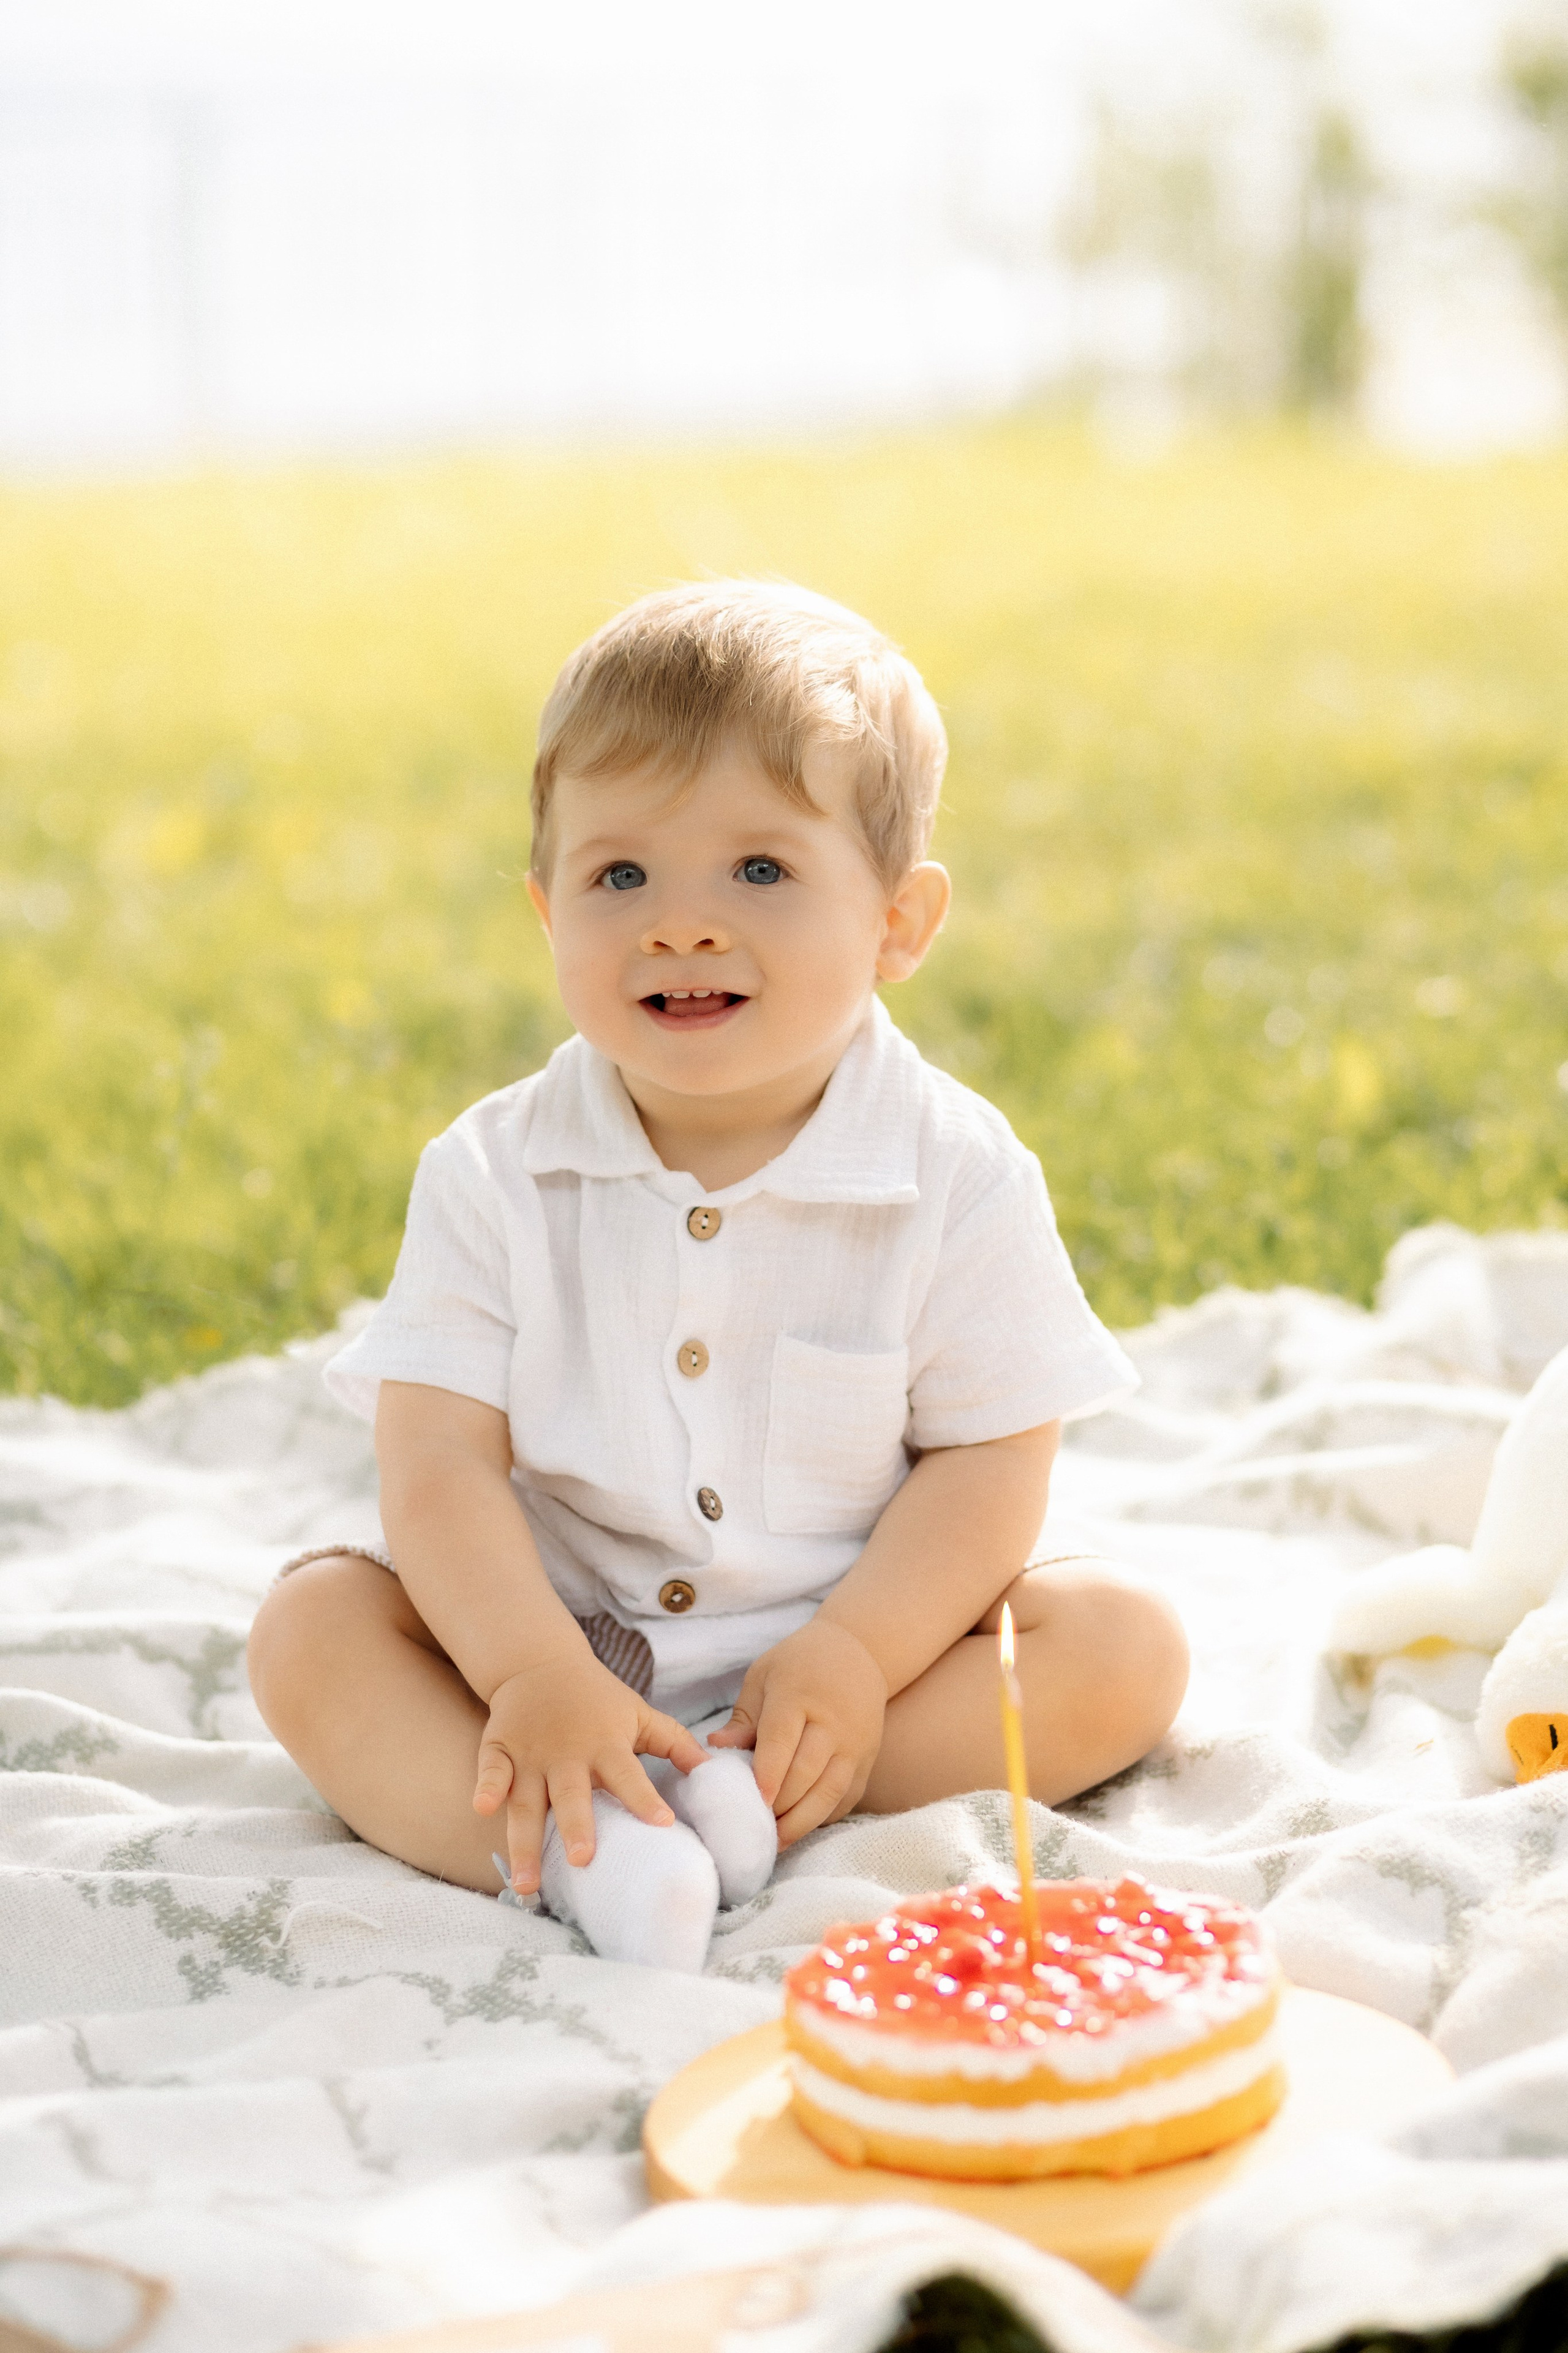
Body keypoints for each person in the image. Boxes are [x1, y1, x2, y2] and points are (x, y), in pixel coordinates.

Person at [247, 581, 1188, 1971]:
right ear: (545, 907)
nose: (679, 924)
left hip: (856, 1646)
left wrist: (859, 1657)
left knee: (1122, 1644)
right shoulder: (492, 1170)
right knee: (311, 1629)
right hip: (551, 1631)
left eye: (758, 870)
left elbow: (992, 1456)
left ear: (897, 922)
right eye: (618, 875)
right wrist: (527, 1673)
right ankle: (583, 1848)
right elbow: (437, 1456)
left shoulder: (952, 1170)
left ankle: (770, 1792)